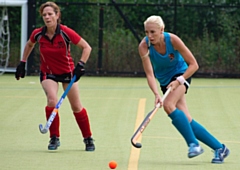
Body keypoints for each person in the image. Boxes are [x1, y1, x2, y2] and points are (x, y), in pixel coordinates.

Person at [138, 15, 229, 163]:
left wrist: (179, 80)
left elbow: (194, 64)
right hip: (164, 82)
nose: (149, 36)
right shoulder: (144, 46)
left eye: (153, 32)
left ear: (162, 30)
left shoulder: (173, 40)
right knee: (186, 119)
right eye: (147, 32)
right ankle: (220, 148)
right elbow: (149, 73)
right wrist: (156, 93)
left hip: (182, 74)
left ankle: (193, 144)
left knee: (168, 105)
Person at [15, 1, 95, 152]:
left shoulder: (65, 32)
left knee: (76, 106)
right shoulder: (38, 34)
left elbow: (86, 47)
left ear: (57, 15)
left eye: (50, 14)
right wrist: (22, 62)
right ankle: (54, 137)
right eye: (44, 15)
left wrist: (81, 65)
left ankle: (88, 138)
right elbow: (29, 45)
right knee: (52, 100)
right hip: (48, 73)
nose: (47, 17)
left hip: (68, 73)